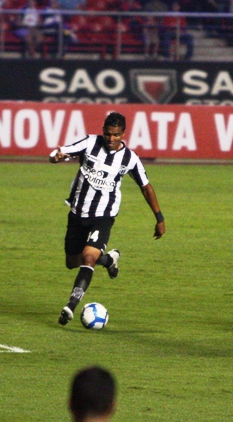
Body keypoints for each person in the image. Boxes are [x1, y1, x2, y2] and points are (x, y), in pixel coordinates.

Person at [50, 112, 165, 326]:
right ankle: (109, 259)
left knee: (88, 257)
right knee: (72, 262)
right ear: (102, 130)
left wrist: (159, 217)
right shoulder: (89, 143)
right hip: (77, 213)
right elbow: (62, 152)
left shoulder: (130, 158)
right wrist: (55, 157)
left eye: (116, 135)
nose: (111, 139)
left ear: (123, 134)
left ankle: (70, 306)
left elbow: (146, 187)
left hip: (103, 215)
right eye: (107, 134)